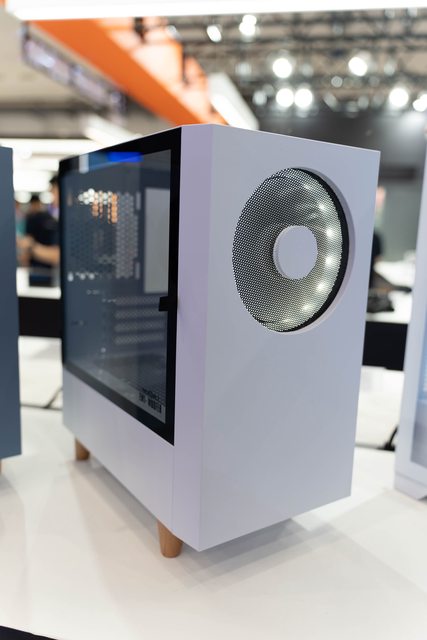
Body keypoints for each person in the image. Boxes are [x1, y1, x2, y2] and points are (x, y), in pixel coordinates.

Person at [17, 182, 60, 286]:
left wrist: (30, 246)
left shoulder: (51, 220)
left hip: (52, 276)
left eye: (54, 192)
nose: (52, 196)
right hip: (37, 274)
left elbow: (56, 256)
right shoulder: (34, 219)